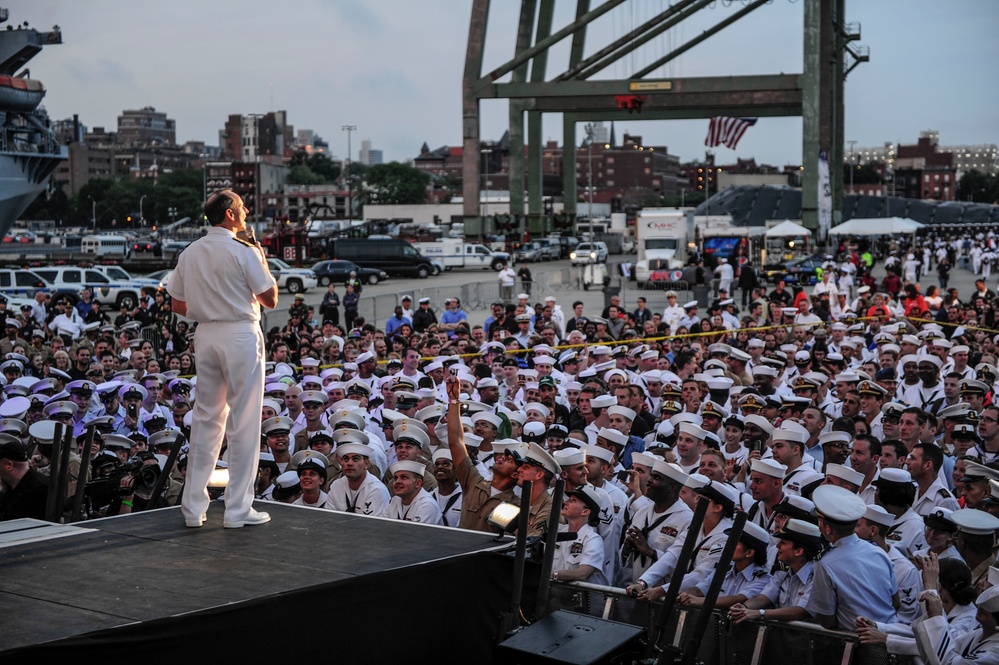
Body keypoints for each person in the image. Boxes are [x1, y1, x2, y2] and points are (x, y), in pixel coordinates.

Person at [167, 189, 278, 529]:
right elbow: (270, 299)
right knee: (243, 421)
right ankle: (237, 509)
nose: (246, 211)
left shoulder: (191, 251)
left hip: (206, 334)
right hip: (239, 333)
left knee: (205, 419)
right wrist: (261, 259)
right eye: (242, 207)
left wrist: (208, 306)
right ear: (230, 214)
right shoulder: (243, 250)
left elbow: (178, 304)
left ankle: (193, 508)